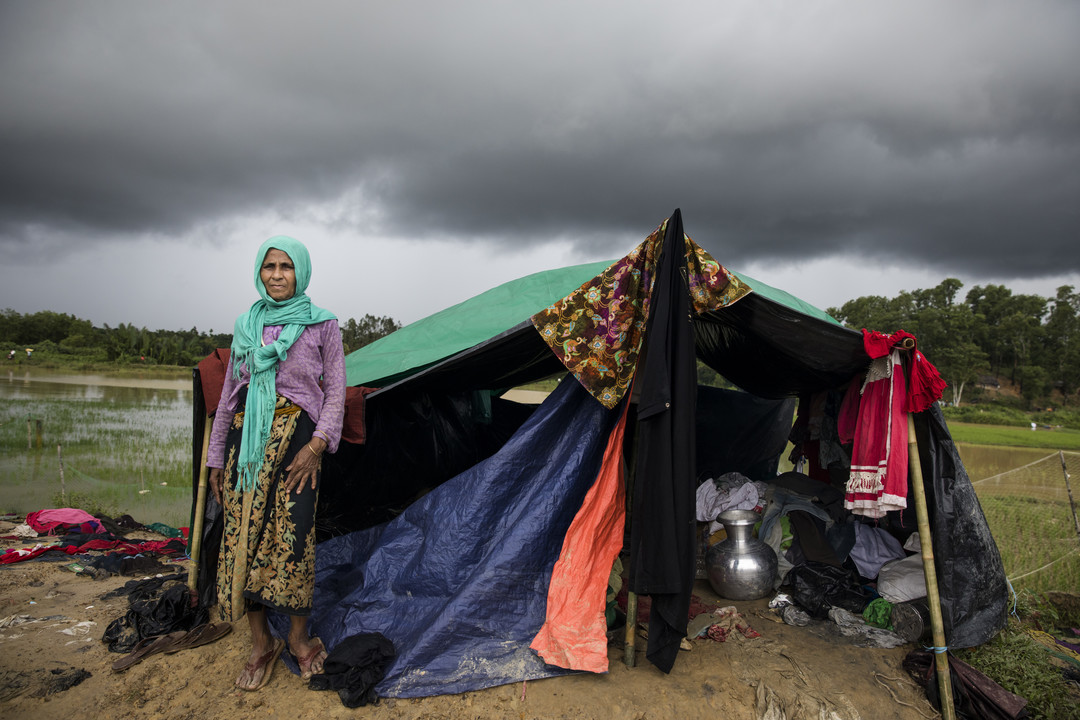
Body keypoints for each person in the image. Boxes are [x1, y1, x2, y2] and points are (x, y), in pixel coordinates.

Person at [206, 236, 346, 691]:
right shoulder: (247, 324)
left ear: (300, 272)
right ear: (259, 271)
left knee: (294, 538)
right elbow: (229, 395)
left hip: (298, 448)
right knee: (243, 536)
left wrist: (318, 444)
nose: (277, 275)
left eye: (286, 266)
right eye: (270, 266)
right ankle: (261, 642)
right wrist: (215, 460)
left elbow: (336, 392)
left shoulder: (323, 325)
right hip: (245, 448)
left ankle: (300, 640)